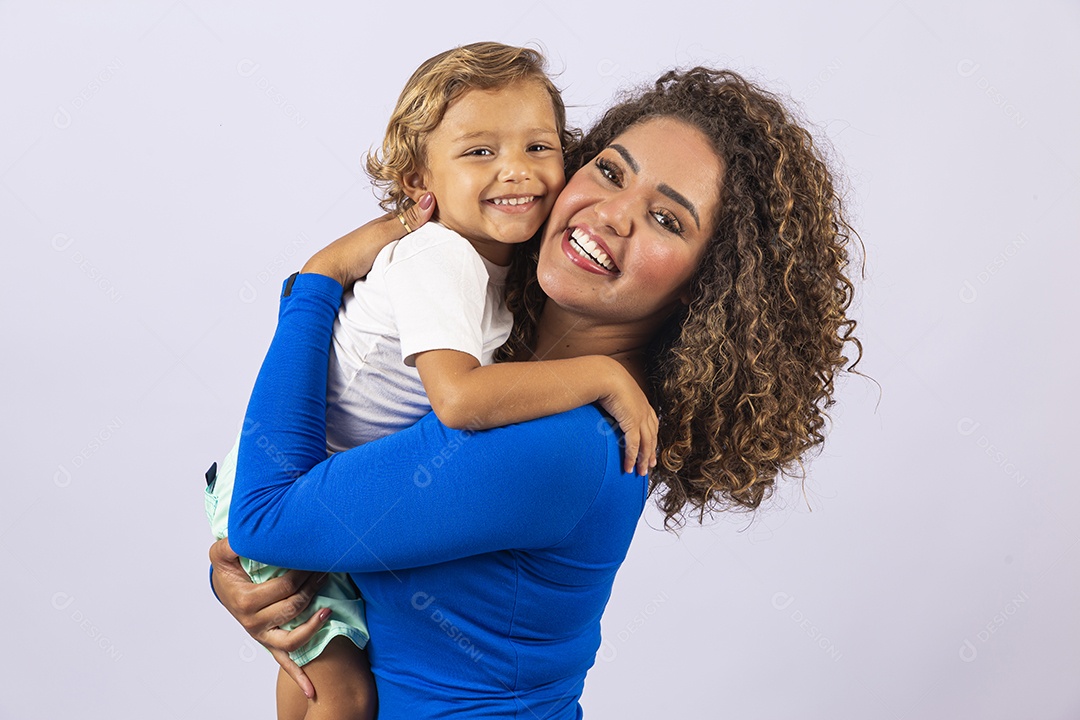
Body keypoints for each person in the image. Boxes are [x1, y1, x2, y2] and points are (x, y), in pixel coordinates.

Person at [210, 66, 861, 719]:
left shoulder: (562, 442)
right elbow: (304, 526)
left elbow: (264, 516)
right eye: (609, 172)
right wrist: (251, 582)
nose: (612, 215)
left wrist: (315, 282)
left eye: (666, 218)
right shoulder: (497, 364)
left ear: (705, 283)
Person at [205, 42, 660, 720]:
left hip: (291, 483)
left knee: (330, 686)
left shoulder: (560, 420)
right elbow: (458, 399)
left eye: (539, 147)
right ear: (423, 177)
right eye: (480, 151)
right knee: (336, 690)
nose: (517, 170)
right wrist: (599, 374)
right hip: (288, 476)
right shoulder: (445, 258)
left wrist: (318, 277)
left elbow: (274, 522)